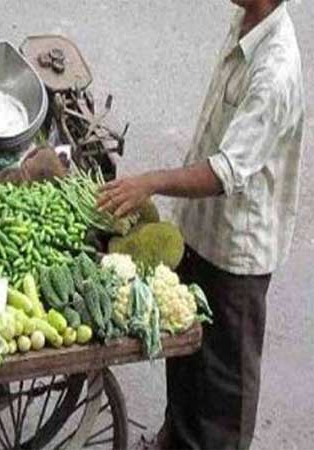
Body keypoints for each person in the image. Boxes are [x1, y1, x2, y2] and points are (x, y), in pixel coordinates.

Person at [97, 0, 304, 449]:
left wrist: (149, 183)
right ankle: (175, 438)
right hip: (200, 231)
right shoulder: (245, 23)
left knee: (223, 394)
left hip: (237, 254)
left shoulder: (276, 70)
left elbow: (226, 172)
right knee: (187, 361)